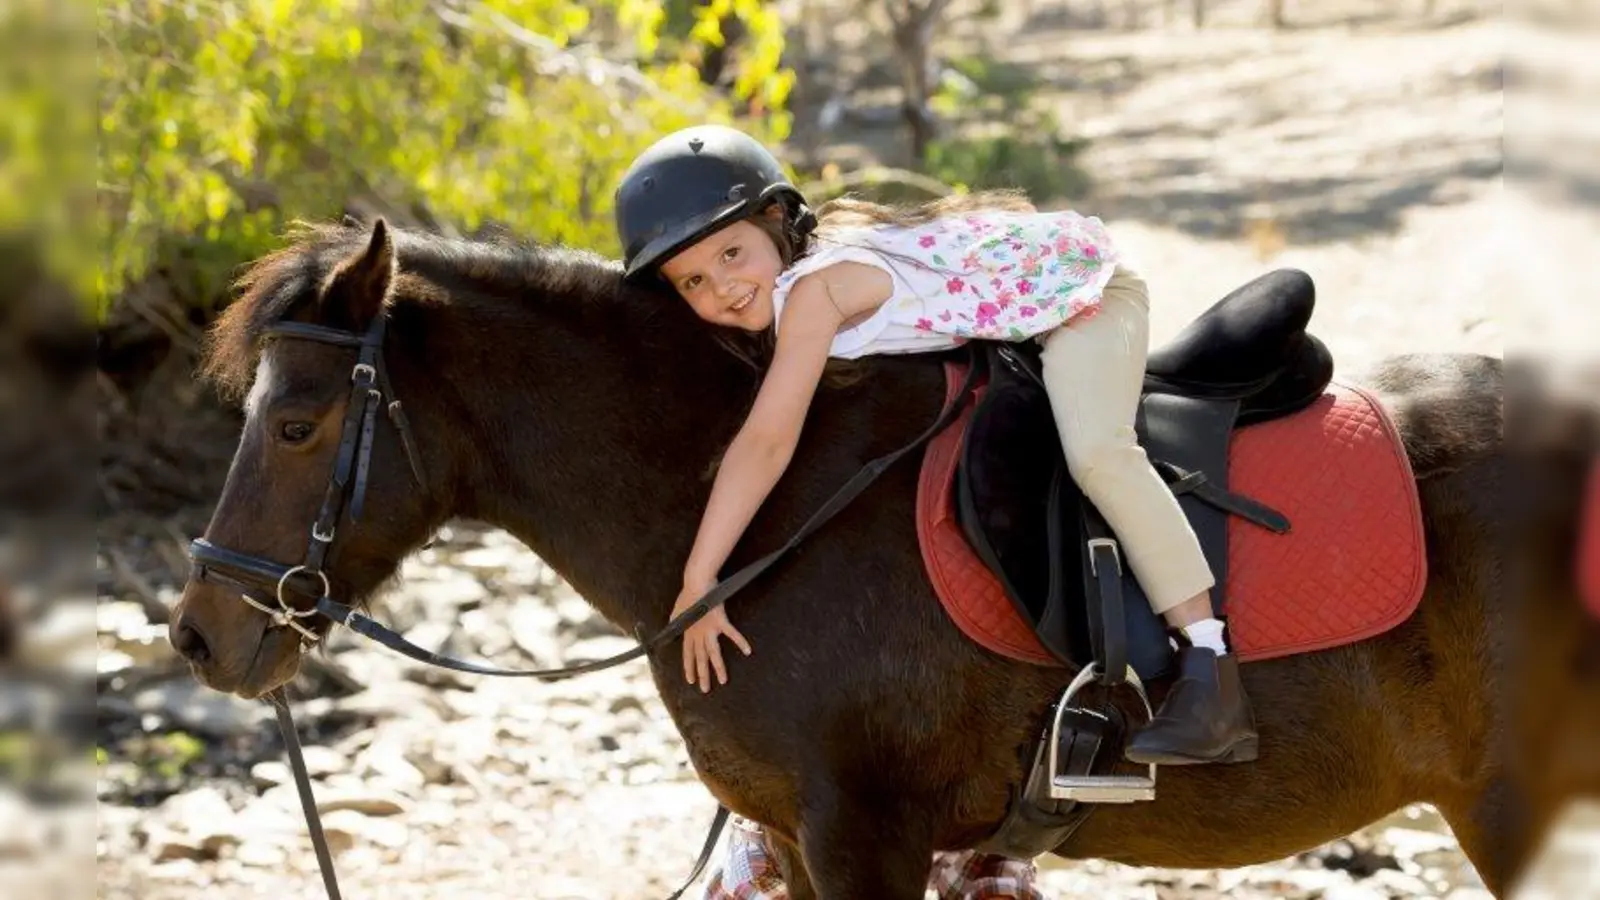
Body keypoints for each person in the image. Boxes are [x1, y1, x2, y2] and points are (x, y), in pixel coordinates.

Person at [613, 123, 1258, 767]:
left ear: (777, 218)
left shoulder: (815, 292)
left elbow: (767, 442)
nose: (721, 287)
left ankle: (1209, 664)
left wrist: (700, 578)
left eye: (731, 254)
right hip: (1026, 311)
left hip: (1085, 296)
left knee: (1097, 451)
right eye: (692, 282)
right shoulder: (797, 280)